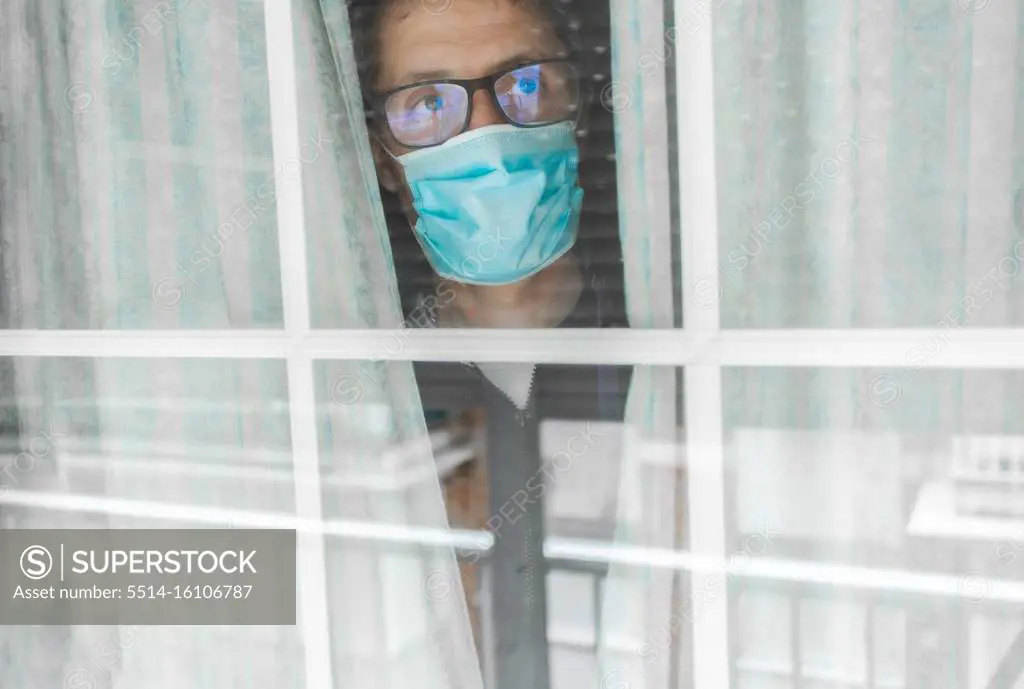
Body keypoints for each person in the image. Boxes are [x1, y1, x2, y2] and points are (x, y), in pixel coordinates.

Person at [348, 0, 631, 418]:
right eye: (429, 103)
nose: (487, 131)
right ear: (382, 157)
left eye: (526, 85)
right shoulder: (363, 376)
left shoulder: (666, 343)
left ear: (578, 114)